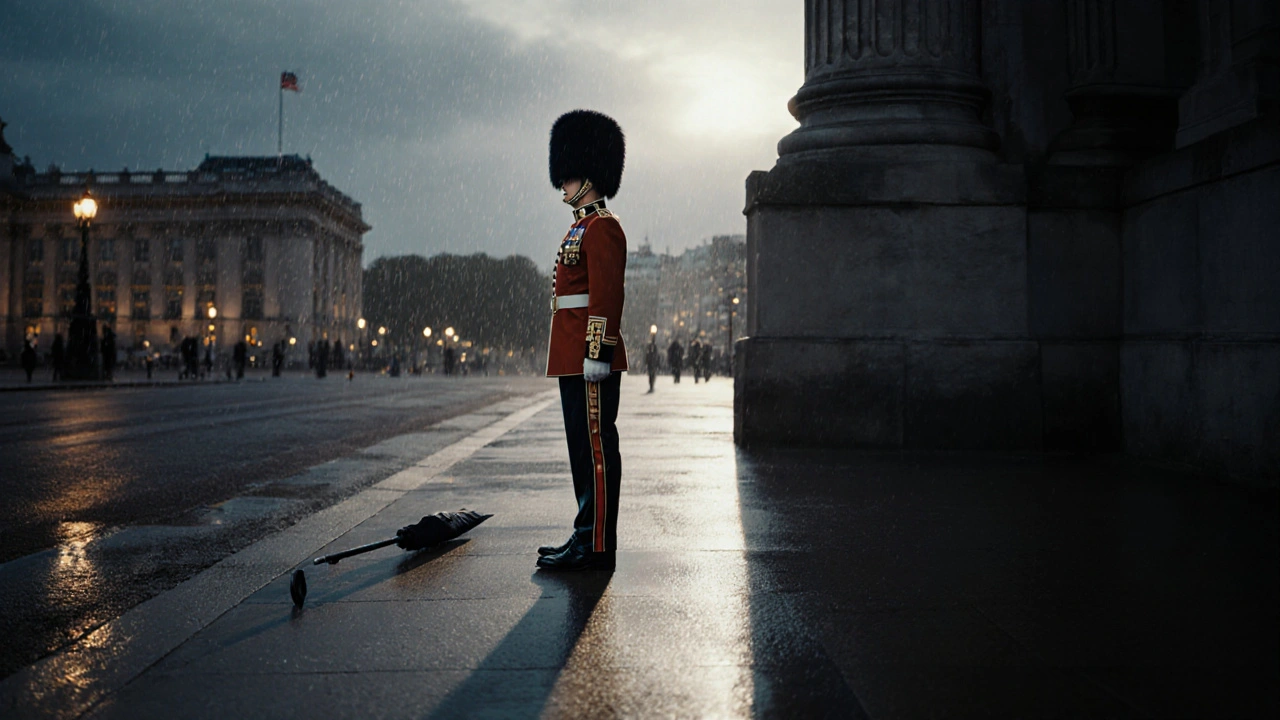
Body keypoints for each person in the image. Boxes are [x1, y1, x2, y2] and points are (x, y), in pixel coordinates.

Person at [537, 109, 628, 572]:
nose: (563, 186)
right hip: (571, 355)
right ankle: (584, 533)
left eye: (568, 176)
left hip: (589, 357)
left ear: (588, 175)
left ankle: (596, 545)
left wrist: (598, 351)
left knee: (595, 446)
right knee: (581, 447)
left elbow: (607, 295)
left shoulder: (603, 226)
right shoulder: (580, 226)